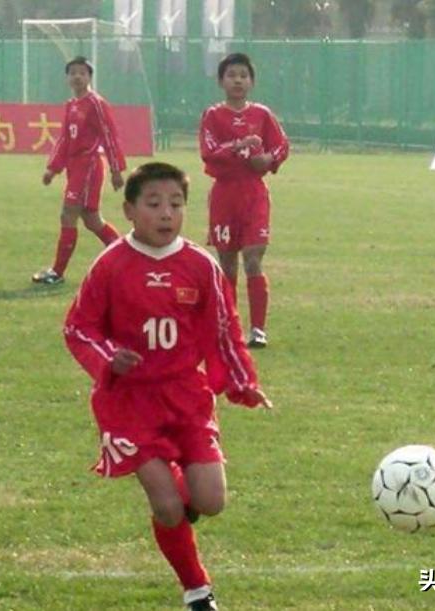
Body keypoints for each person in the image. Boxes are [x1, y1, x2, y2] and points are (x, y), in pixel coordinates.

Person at [64, 162, 272, 610]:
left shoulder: (200, 265)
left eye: (175, 205)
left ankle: (179, 485)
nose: (166, 214)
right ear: (131, 210)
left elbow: (224, 330)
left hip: (186, 398)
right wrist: (108, 360)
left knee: (211, 502)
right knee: (168, 506)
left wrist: (242, 382)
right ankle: (197, 590)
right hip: (128, 401)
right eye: (154, 204)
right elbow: (78, 329)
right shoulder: (111, 265)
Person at [199, 52, 289, 348]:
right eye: (231, 75)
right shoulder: (213, 115)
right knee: (227, 264)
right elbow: (208, 152)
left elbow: (282, 146)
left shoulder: (262, 115)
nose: (238, 80)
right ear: (221, 81)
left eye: (243, 75)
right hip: (225, 195)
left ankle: (258, 329)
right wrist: (239, 146)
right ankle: (229, 325)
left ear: (251, 81)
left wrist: (268, 159)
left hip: (253, 194)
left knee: (253, 257)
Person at [32, 56, 127, 285]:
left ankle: (57, 271)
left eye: (82, 72)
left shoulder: (96, 103)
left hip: (89, 165)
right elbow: (65, 139)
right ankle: (129, 258)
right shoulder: (71, 105)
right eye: (73, 72)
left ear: (89, 77)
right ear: (67, 78)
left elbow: (109, 135)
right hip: (75, 167)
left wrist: (116, 169)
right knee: (92, 220)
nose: (77, 76)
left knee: (68, 213)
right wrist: (53, 168)